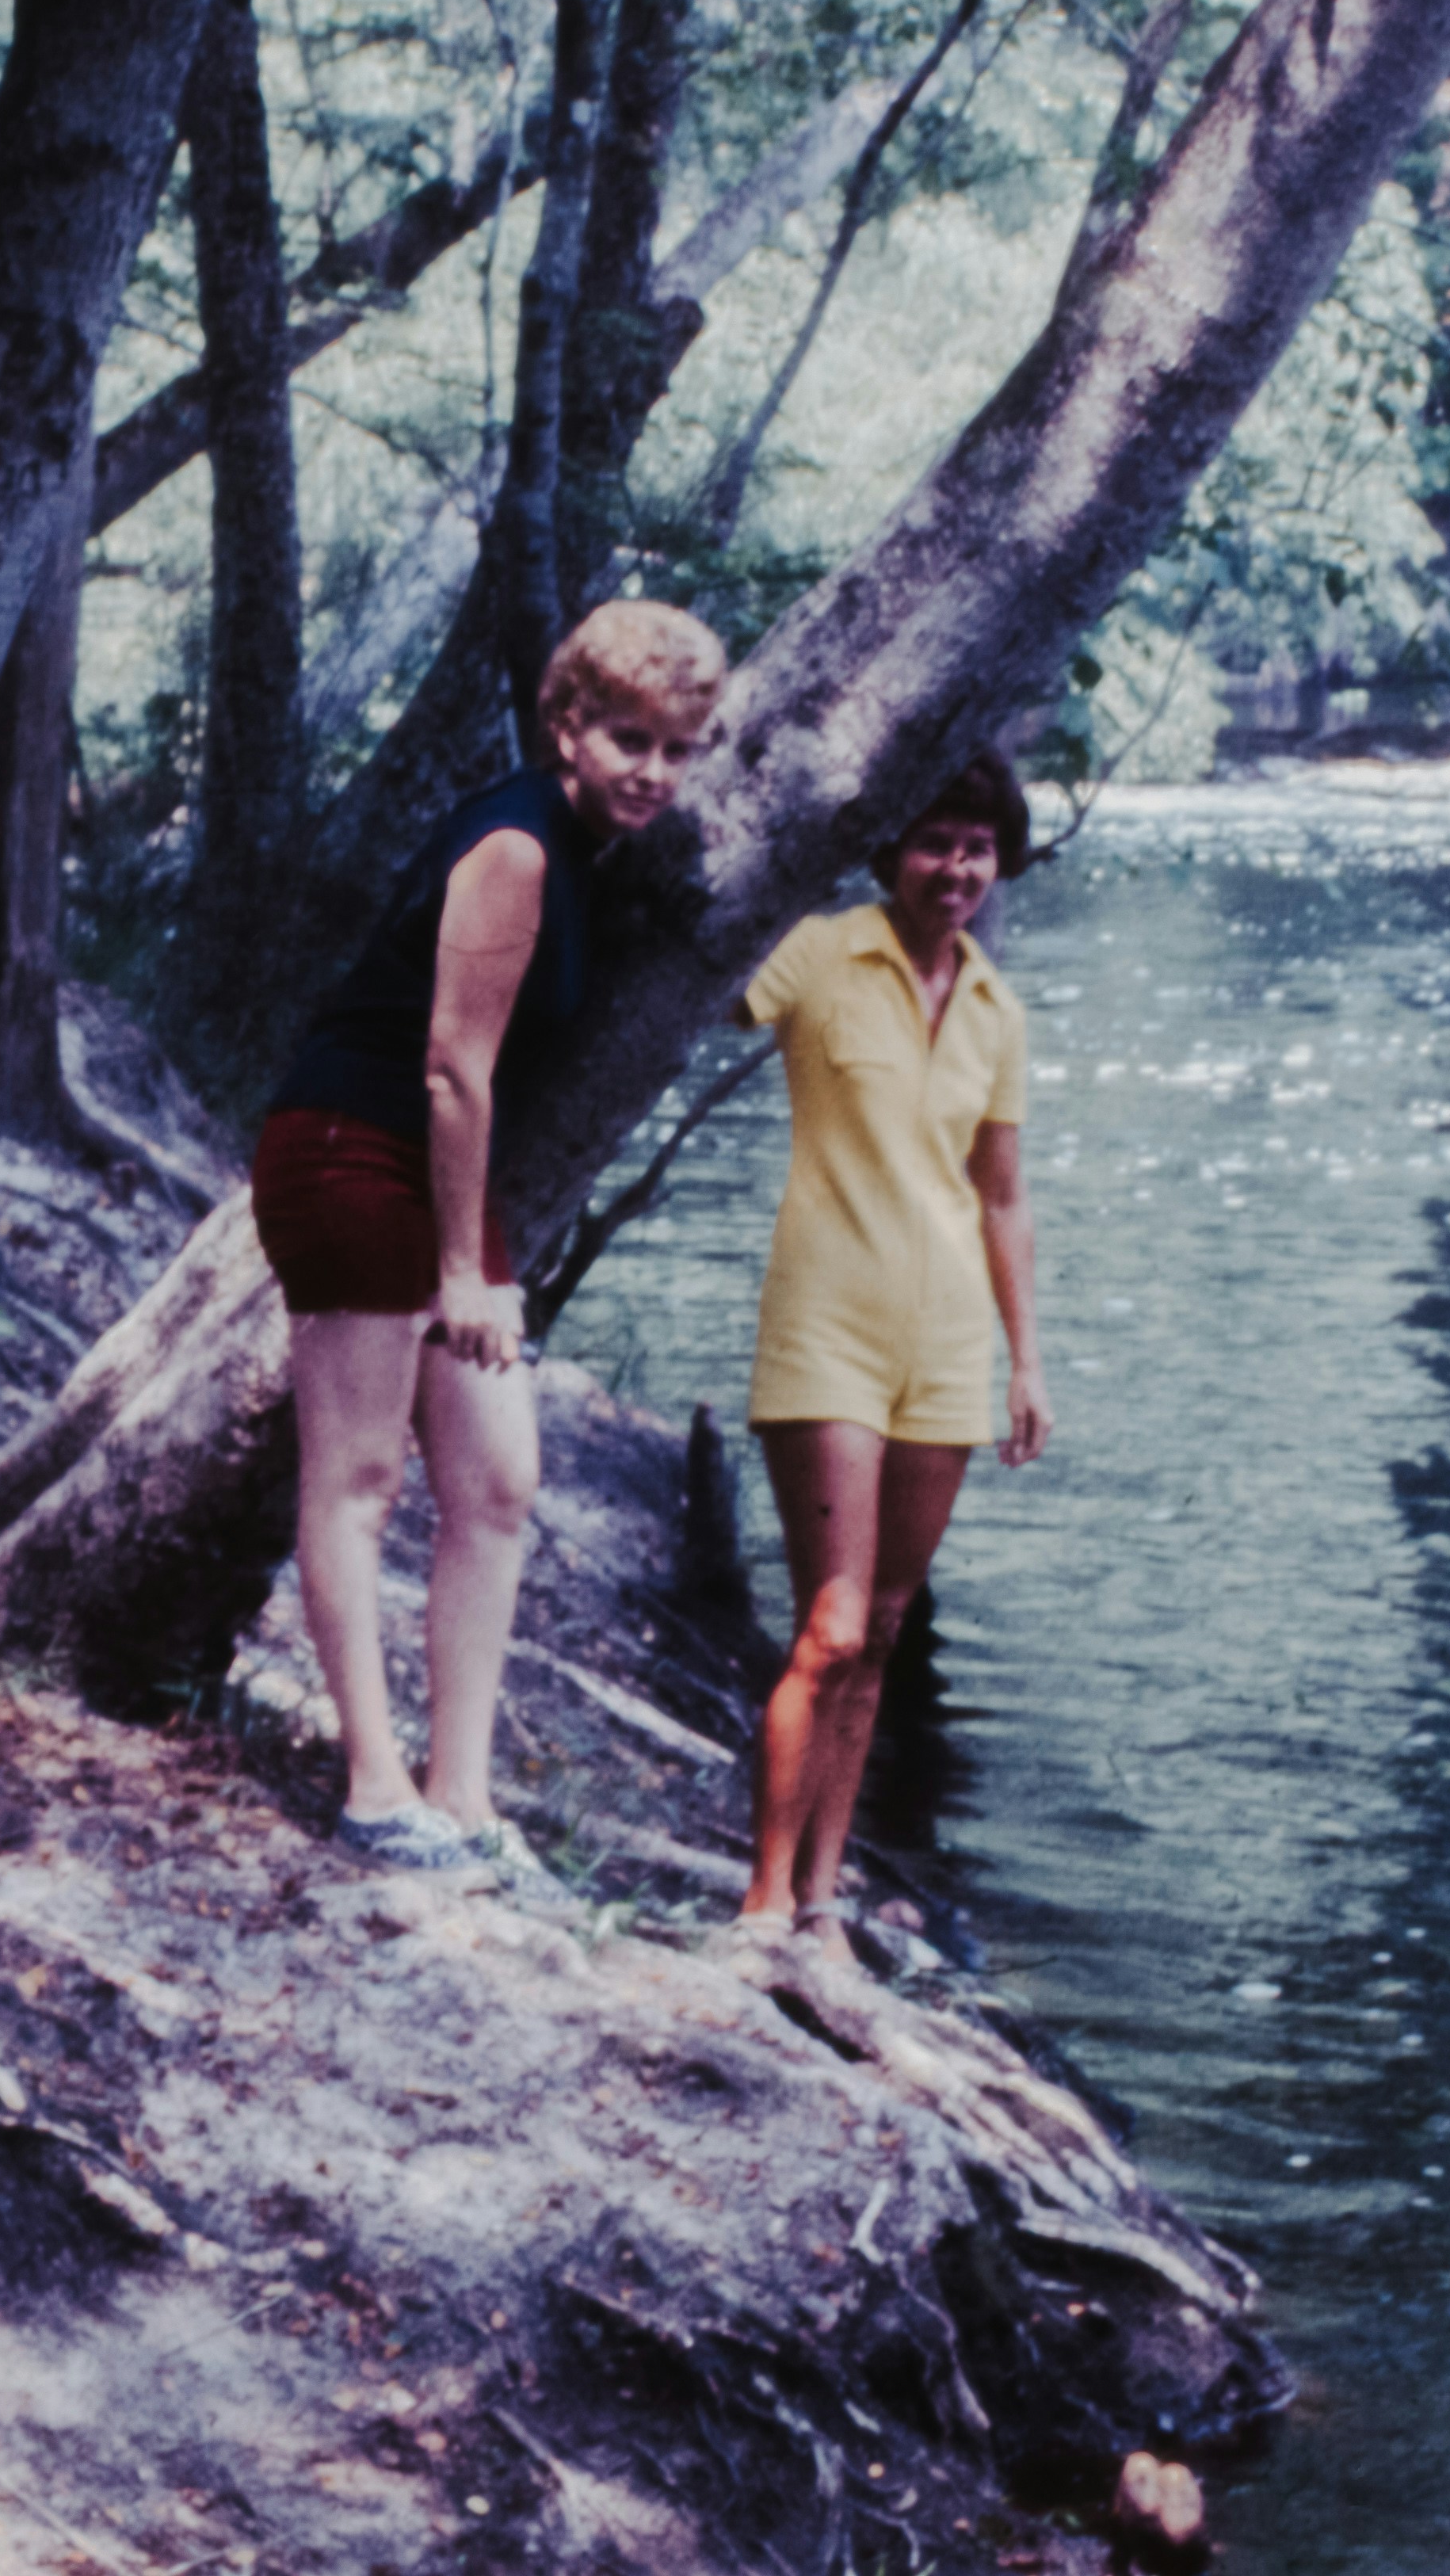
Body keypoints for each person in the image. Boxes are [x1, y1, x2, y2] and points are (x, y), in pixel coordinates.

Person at [244, 599, 727, 1896]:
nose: (653, 772)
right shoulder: (516, 844)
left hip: (432, 1170)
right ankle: (375, 1790)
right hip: (354, 1147)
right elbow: (455, 1069)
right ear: (566, 724)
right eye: (629, 737)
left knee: (500, 1482)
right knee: (357, 1479)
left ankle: (461, 1797)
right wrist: (464, 1271)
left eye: (678, 751)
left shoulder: (580, 853)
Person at [733, 750, 1050, 1950]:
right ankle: (761, 1903)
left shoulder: (996, 1009)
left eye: (976, 847)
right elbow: (699, 991)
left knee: (889, 1630)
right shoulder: (820, 955)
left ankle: (822, 1894)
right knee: (832, 1626)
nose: (955, 868)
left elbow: (1005, 1197)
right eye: (934, 842)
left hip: (949, 1345)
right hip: (826, 1329)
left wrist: (1028, 1363)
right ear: (887, 851)